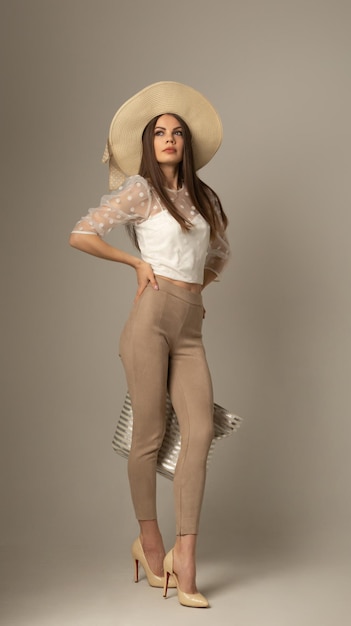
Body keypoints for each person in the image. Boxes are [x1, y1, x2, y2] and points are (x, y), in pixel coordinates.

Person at [69, 82, 229, 608]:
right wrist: (136, 263)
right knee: (149, 434)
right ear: (147, 142)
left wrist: (193, 293)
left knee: (200, 432)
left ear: (187, 144)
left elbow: (218, 255)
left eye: (176, 132)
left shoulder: (204, 198)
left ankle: (187, 558)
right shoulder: (141, 191)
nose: (168, 139)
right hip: (149, 321)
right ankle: (151, 542)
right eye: (159, 132)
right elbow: (82, 234)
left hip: (189, 327)